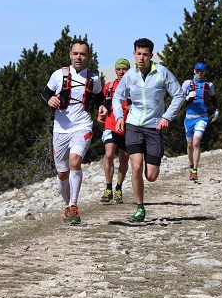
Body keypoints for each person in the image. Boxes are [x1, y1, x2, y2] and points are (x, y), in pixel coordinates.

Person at [113, 38, 185, 223]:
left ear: (151, 55)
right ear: (134, 54)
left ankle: (148, 173)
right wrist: (120, 116)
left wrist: (166, 117)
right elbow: (117, 97)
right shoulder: (130, 75)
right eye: (138, 54)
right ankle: (140, 208)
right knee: (135, 166)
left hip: (154, 127)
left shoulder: (162, 73)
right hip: (134, 125)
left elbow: (178, 94)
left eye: (145, 54)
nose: (141, 58)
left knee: (151, 176)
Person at [40, 40, 103, 226]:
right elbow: (45, 93)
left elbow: (100, 98)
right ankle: (67, 205)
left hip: (82, 125)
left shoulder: (94, 79)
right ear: (70, 55)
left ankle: (74, 205)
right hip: (60, 129)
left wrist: (102, 108)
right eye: (75, 53)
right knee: (62, 173)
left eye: (83, 54)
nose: (79, 57)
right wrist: (49, 100)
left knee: (75, 161)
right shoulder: (59, 75)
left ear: (88, 57)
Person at [98, 58, 132, 204]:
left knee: (124, 159)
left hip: (128, 127)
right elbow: (101, 104)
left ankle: (118, 188)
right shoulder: (109, 86)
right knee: (109, 154)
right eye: (119, 69)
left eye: (124, 69)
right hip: (111, 124)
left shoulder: (134, 87)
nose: (121, 72)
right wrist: (100, 114)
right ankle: (108, 187)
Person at [182, 62, 219, 181]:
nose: (199, 73)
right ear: (194, 71)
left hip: (202, 117)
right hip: (189, 118)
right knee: (189, 145)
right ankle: (191, 165)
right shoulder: (187, 84)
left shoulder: (209, 85)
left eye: (201, 71)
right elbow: (179, 98)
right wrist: (187, 98)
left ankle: (194, 171)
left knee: (196, 143)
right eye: (197, 71)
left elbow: (213, 98)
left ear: (205, 72)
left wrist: (216, 110)